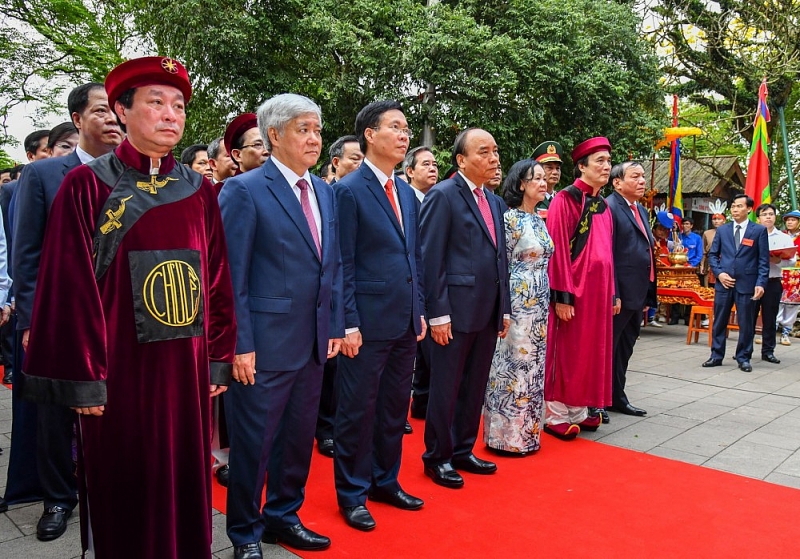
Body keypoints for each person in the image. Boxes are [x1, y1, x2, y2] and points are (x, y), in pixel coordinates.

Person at [19, 57, 237, 559]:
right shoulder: (87, 185)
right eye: (156, 102)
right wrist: (84, 379)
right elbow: (68, 287)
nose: (171, 114)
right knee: (126, 490)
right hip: (119, 373)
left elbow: (217, 277)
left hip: (185, 371)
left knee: (186, 484)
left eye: (178, 105)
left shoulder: (200, 190)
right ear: (122, 110)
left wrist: (218, 357)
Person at [219, 93, 343, 558]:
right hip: (263, 347)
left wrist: (335, 325)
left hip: (312, 343)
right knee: (253, 445)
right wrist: (239, 344)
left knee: (296, 441)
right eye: (303, 129)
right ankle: (244, 533)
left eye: (317, 130)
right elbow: (231, 276)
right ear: (274, 135)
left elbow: (332, 266)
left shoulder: (325, 191)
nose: (314, 138)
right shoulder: (244, 190)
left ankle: (283, 517)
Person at [8, 81, 123, 541]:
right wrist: (33, 320)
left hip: (121, 318)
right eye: (101, 110)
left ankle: (114, 488)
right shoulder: (43, 176)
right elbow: (27, 254)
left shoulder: (137, 174)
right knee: (57, 413)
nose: (112, 118)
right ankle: (58, 498)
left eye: (117, 109)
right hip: (62, 317)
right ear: (78, 119)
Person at [333, 100, 426, 531]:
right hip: (366, 323)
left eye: (406, 128)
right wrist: (348, 322)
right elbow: (343, 262)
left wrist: (419, 308)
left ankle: (385, 480)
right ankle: (352, 493)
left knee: (393, 409)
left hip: (404, 320)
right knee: (357, 411)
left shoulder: (405, 192)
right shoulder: (349, 190)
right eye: (395, 127)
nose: (404, 135)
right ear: (370, 134)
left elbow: (414, 258)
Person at [420, 128, 510, 489]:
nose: (493, 158)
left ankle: (462, 449)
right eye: (483, 152)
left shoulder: (494, 201)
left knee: (474, 387)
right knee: (446, 388)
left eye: (495, 151)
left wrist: (503, 308)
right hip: (454, 313)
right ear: (461, 160)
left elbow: (500, 260)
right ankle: (437, 457)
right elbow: (431, 260)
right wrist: (438, 314)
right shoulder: (443, 195)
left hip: (486, 312)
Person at [543, 137, 615, 440]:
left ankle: (579, 408)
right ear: (582, 167)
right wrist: (562, 295)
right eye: (600, 161)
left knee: (590, 350)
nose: (607, 166)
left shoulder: (603, 205)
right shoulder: (565, 199)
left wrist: (613, 293)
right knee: (567, 350)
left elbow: (608, 253)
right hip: (574, 289)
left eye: (608, 161)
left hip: (598, 292)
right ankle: (556, 413)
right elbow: (557, 249)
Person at [483, 159, 552, 456]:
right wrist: (504, 307)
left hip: (540, 305)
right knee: (512, 367)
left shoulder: (540, 219)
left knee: (534, 368)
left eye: (544, 178)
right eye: (536, 178)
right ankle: (504, 437)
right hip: (517, 303)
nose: (543, 182)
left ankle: (528, 435)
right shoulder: (509, 219)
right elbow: (501, 265)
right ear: (521, 184)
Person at [315, 134, 363, 458]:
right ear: (336, 162)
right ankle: (325, 428)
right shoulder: (327, 194)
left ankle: (337, 424)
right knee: (329, 370)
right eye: (354, 158)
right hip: (326, 295)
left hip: (354, 293)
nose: (360, 164)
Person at [606, 161, 655, 417]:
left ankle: (617, 396)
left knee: (625, 348)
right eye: (635, 176)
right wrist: (613, 293)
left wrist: (649, 293)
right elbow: (608, 255)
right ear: (617, 182)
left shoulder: (640, 210)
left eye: (643, 176)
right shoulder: (609, 208)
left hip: (637, 292)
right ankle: (598, 400)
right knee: (608, 348)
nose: (642, 181)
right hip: (619, 294)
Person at [703, 193, 769, 372]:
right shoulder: (723, 230)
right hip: (724, 283)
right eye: (733, 206)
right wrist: (719, 274)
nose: (735, 209)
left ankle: (743, 357)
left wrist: (761, 283)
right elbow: (713, 255)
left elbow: (763, 260)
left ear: (749, 209)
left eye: (739, 206)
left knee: (746, 323)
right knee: (719, 321)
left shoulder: (758, 231)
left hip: (747, 283)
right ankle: (716, 355)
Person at [404, 145, 439, 420]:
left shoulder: (437, 201)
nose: (433, 168)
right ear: (410, 171)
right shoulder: (405, 201)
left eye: (435, 164)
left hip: (434, 286)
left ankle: (422, 401)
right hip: (410, 287)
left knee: (429, 350)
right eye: (425, 164)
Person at [753, 204, 795, 362]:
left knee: (770, 318)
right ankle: (744, 350)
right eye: (764, 214)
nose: (768, 217)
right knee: (748, 317)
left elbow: (792, 261)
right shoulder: (750, 235)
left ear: (775, 217)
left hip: (772, 281)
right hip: (753, 282)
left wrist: (778, 261)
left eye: (771, 214)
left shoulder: (784, 238)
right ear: (758, 218)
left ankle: (768, 351)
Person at [777, 209, 800, 345]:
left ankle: (785, 333)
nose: (790, 222)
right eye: (788, 220)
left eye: (793, 220)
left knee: (792, 305)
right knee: (776, 302)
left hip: (796, 275)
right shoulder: (780, 236)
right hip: (780, 272)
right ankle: (770, 332)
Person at [532, 140, 563, 213]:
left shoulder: (562, 199)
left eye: (557, 168)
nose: (555, 172)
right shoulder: (531, 199)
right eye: (550, 168)